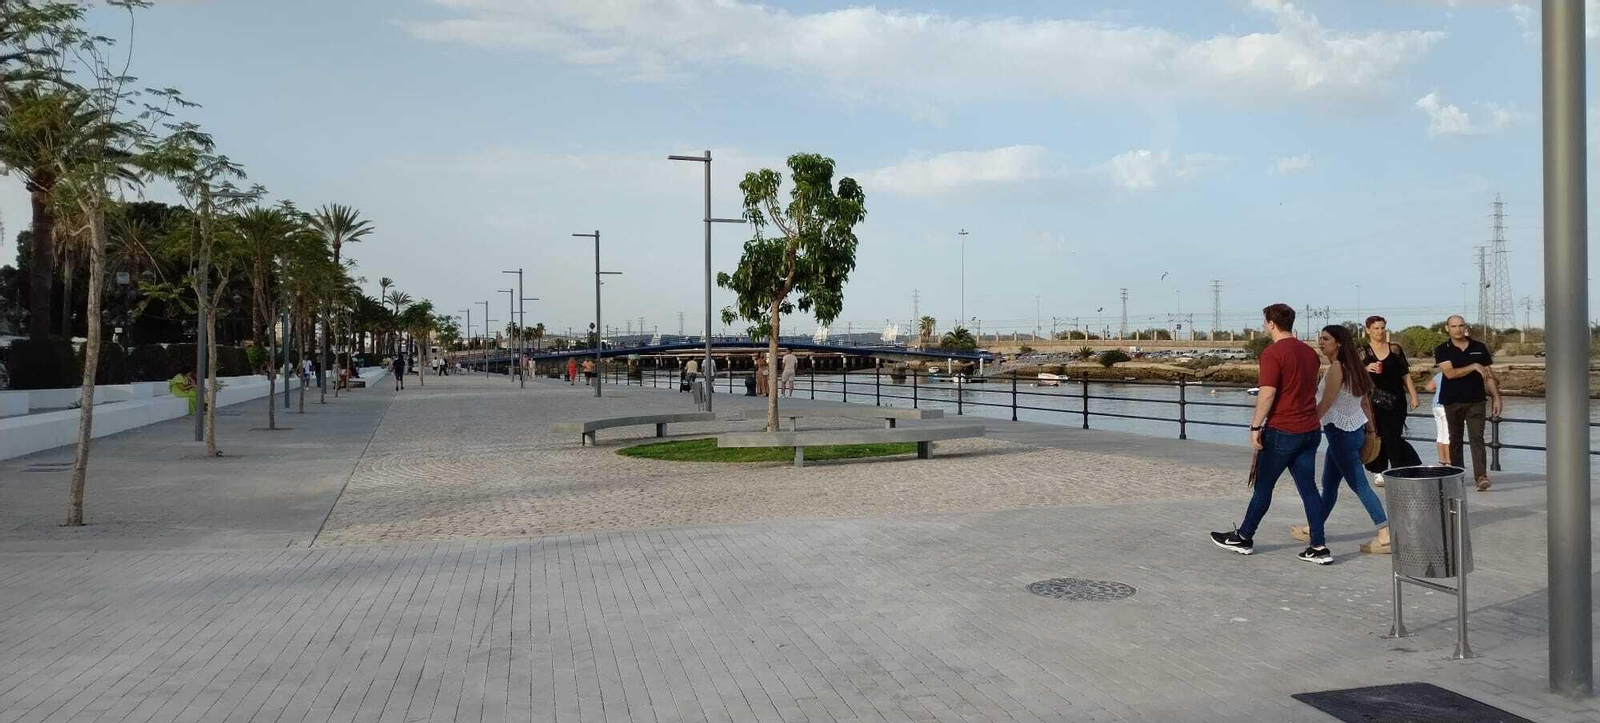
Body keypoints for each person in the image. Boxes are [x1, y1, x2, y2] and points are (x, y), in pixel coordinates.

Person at [1211, 304, 1331, 565]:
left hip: (1282, 430)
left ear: (1272, 324)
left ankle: (1244, 537)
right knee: (1309, 489)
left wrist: (1255, 426)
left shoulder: (1272, 353)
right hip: (1310, 430)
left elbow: (1267, 393)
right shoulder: (1310, 354)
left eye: (1265, 322)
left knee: (1264, 487)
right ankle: (1319, 546)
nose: (1265, 326)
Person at [1291, 325, 1390, 554]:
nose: (1321, 342)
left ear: (1339, 343)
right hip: (1352, 432)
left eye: (1326, 339)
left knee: (1359, 485)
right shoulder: (1354, 367)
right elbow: (1365, 403)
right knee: (1330, 485)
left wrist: (1305, 426)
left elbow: (1325, 403)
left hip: (1341, 435)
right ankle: (1314, 527)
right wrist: (1371, 431)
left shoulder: (1337, 368)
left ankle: (1384, 532)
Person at [1434, 315, 1503, 491]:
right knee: (1455, 439)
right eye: (1454, 326)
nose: (1458, 329)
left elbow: (1488, 373)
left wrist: (1496, 397)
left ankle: (1481, 477)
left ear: (1466, 327)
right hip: (1452, 401)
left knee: (1477, 438)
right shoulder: (1442, 349)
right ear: (1447, 328)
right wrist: (1473, 366)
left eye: (1461, 325)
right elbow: (1449, 373)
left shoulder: (1479, 348)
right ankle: (1457, 475)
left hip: (1477, 401)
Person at [1361, 316, 1421, 484]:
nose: (1380, 331)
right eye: (1376, 328)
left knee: (1394, 434)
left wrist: (1414, 395)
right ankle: (1379, 470)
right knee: (1379, 434)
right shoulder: (1362, 351)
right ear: (1368, 330)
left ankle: (1397, 468)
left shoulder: (1395, 349)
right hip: (1374, 401)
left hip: (1396, 399)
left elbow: (1405, 374)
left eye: (1382, 328)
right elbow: (1354, 376)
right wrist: (1366, 369)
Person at [1425, 373, 1449, 465]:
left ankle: (1441, 460)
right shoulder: (1453, 375)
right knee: (1447, 435)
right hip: (1445, 405)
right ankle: (1449, 461)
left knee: (1440, 434)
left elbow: (1428, 387)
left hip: (1436, 405)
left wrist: (1438, 389)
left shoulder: (1439, 375)